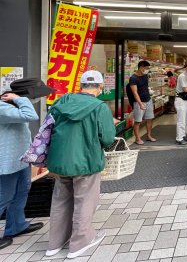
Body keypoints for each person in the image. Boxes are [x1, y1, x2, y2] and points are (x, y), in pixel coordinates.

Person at [45, 70, 117, 259]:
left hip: (60, 160)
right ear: (100, 87)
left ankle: (54, 244)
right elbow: (108, 138)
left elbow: (48, 127)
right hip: (86, 161)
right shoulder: (99, 107)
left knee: (60, 200)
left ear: (82, 85)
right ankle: (79, 243)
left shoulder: (62, 102)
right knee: (84, 200)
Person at [0, 78, 54, 250]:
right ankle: (14, 226)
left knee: (21, 193)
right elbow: (31, 116)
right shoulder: (3, 107)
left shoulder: (15, 105)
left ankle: (16, 226)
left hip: (21, 159)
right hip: (5, 163)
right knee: (4, 197)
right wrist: (18, 98)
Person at [129, 60, 156, 145]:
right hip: (138, 102)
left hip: (148, 100)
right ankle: (137, 138)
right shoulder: (133, 78)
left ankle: (148, 135)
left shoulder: (145, 76)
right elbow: (135, 92)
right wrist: (140, 103)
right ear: (141, 67)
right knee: (138, 121)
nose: (148, 70)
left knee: (150, 119)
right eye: (146, 68)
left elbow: (145, 88)